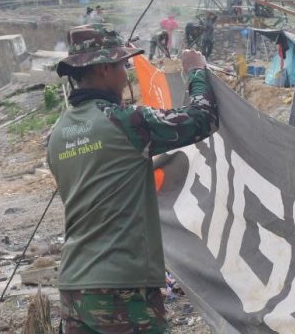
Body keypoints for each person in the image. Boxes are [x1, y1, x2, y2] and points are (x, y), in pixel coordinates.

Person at [47, 23, 218, 333]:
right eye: (122, 65)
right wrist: (196, 71)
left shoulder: (58, 135)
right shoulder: (125, 122)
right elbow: (202, 119)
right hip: (123, 288)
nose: (126, 74)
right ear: (102, 70)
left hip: (73, 287)